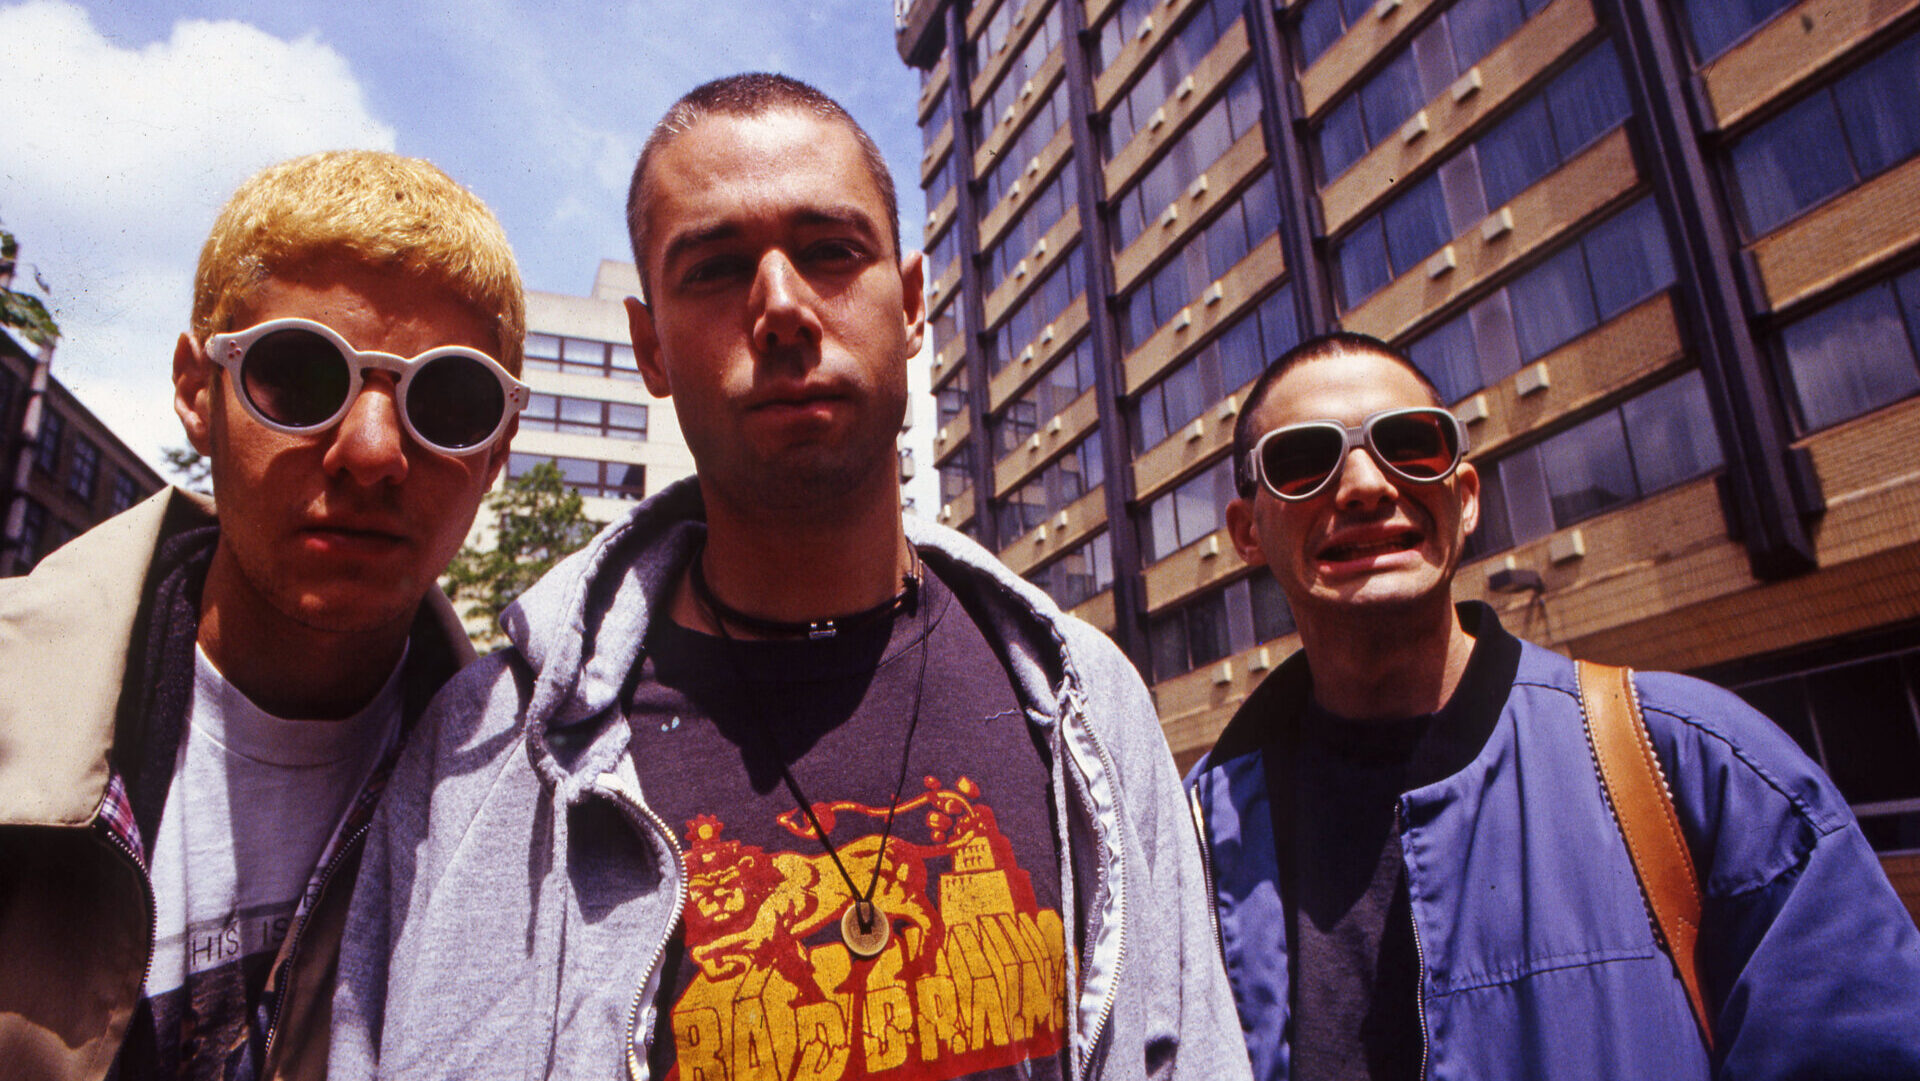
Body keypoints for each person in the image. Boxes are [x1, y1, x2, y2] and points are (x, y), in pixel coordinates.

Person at [330, 73, 1249, 1081]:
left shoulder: (1092, 703)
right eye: (718, 269)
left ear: (911, 308)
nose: (780, 306)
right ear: (650, 348)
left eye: (830, 252)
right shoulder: (486, 758)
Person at [1185, 331, 1920, 1079]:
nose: (1368, 485)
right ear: (1248, 531)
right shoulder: (1188, 841)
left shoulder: (1704, 767)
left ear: (1465, 500)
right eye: (1305, 460)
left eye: (1410, 443)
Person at [0, 150, 526, 1081]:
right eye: (300, 376)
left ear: (495, 454)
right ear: (199, 391)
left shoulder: (533, 809)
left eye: (447, 400)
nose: (370, 451)